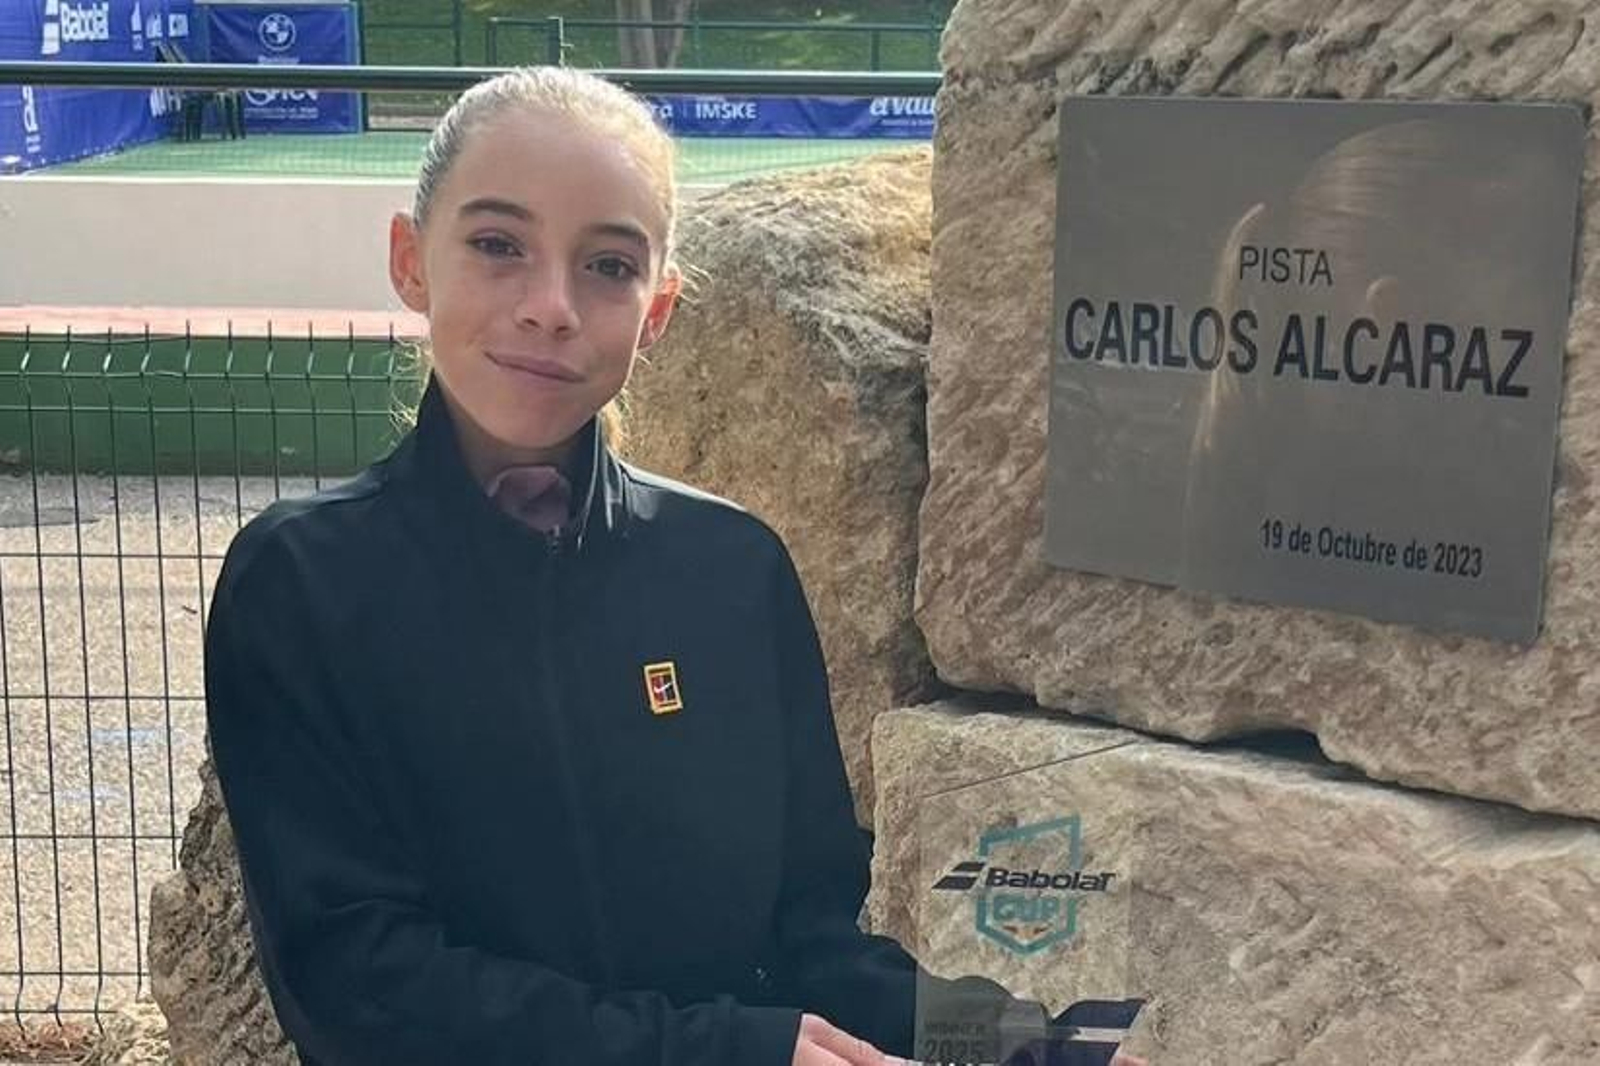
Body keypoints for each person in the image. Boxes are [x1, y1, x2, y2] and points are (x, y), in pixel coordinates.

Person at [203, 66, 1144, 1066]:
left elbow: (813, 941)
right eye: (497, 246)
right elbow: (360, 989)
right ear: (410, 261)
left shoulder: (731, 572)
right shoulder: (303, 584)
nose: (551, 305)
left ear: (657, 310)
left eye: (608, 265)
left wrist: (1030, 1047)